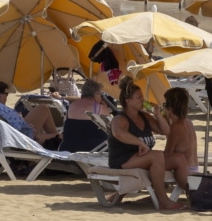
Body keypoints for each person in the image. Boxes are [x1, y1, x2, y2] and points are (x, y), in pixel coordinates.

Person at [106, 77, 183, 210]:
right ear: (128, 101)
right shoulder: (120, 118)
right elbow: (118, 133)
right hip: (123, 160)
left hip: (142, 157)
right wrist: (140, 143)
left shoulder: (144, 116)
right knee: (157, 156)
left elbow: (165, 131)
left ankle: (190, 192)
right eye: (138, 97)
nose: (142, 100)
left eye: (142, 97)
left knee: (178, 158)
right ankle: (163, 200)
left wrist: (158, 115)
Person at [0, 82, 60, 147]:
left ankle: (54, 136)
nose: (7, 96)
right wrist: (26, 126)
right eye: (6, 94)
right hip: (18, 139)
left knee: (52, 130)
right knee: (43, 109)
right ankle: (55, 137)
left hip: (1, 138)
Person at [60, 79, 110, 153]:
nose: (101, 98)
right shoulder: (100, 108)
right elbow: (111, 131)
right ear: (96, 94)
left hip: (69, 149)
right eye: (100, 95)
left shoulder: (72, 106)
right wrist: (105, 109)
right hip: (94, 151)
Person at [162, 87, 198, 173]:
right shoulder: (188, 123)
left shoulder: (175, 127)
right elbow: (177, 144)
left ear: (170, 109)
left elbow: (167, 154)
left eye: (164, 104)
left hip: (185, 170)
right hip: (194, 167)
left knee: (154, 161)